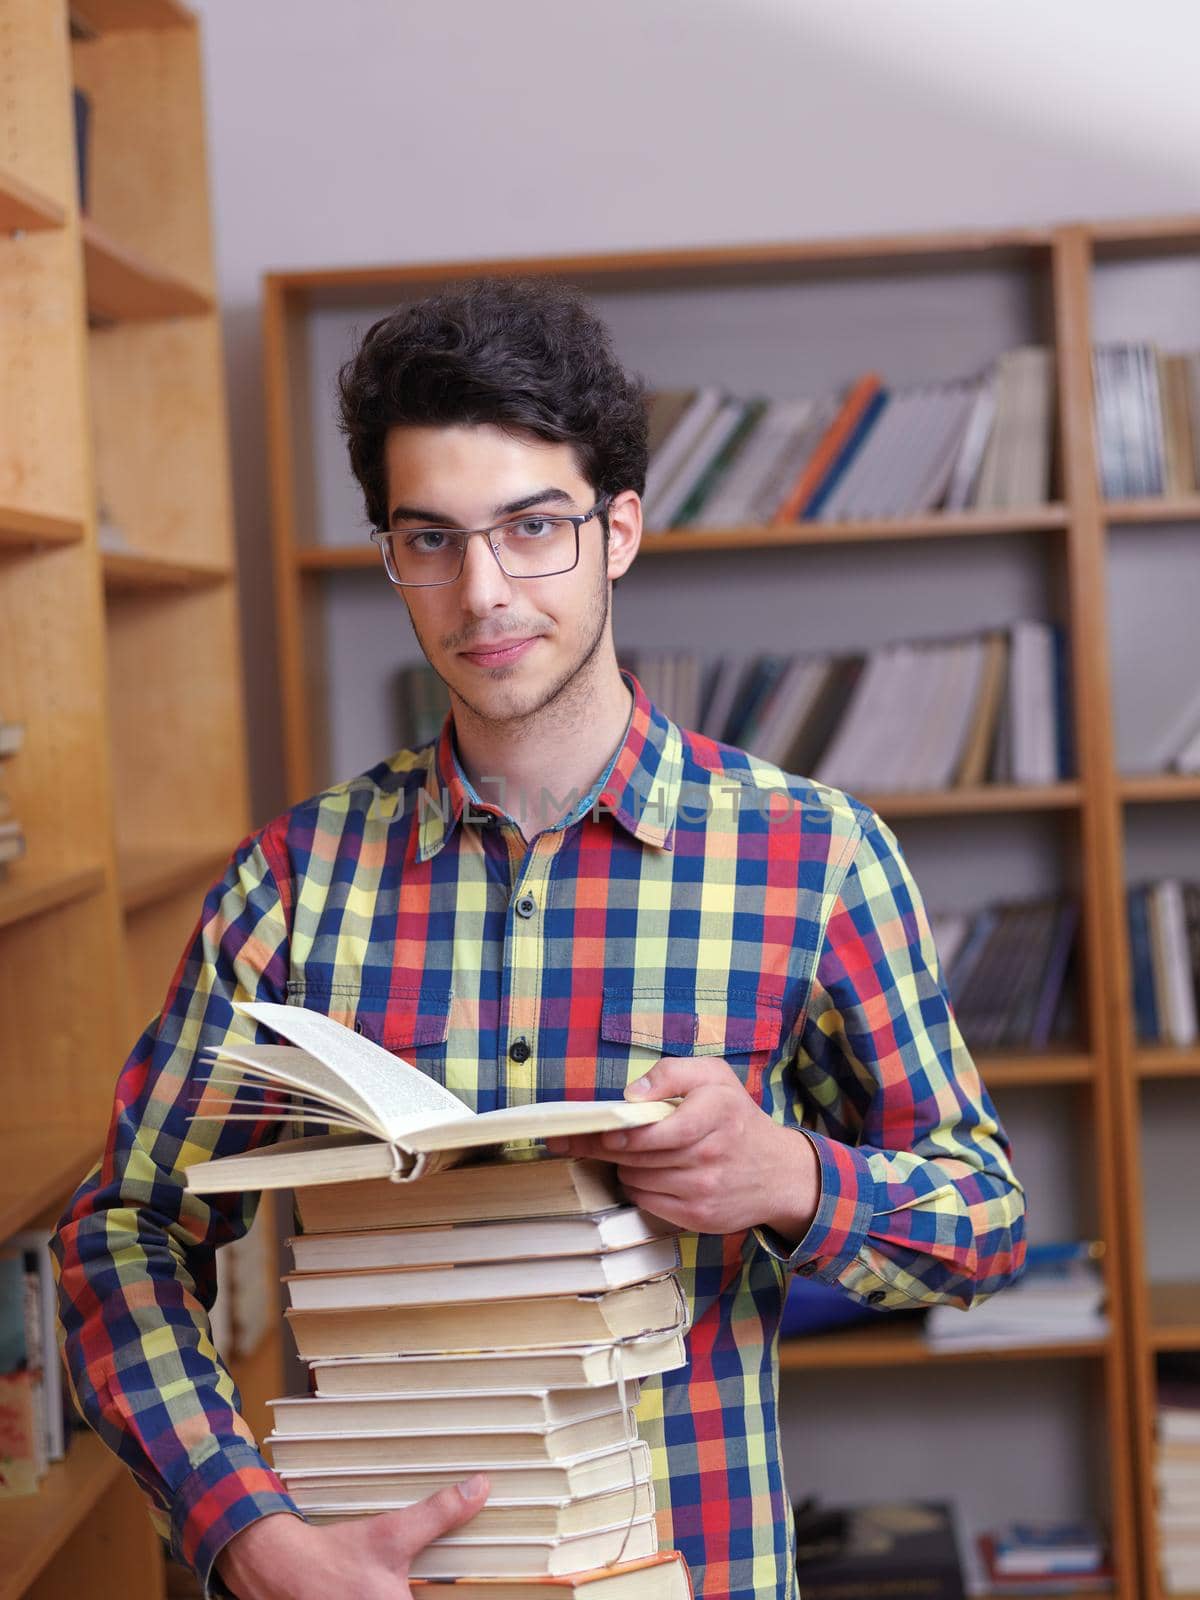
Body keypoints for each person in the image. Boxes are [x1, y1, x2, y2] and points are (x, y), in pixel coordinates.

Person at [54, 276, 1026, 1600]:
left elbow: (983, 1217)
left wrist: (792, 1175)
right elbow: (122, 1232)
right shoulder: (290, 885)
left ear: (620, 528)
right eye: (431, 540)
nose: (484, 591)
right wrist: (252, 1534)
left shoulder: (818, 857)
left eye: (533, 528)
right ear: (390, 552)